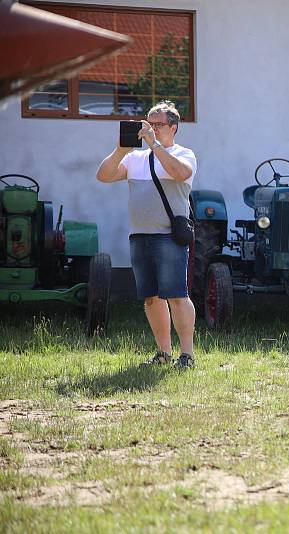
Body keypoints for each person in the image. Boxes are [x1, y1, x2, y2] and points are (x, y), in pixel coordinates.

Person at [96, 101, 197, 368]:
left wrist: (155, 145)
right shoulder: (134, 158)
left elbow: (180, 173)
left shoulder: (183, 154)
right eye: (148, 124)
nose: (149, 129)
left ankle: (187, 354)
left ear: (172, 128)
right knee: (151, 297)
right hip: (139, 236)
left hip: (168, 237)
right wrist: (121, 149)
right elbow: (103, 176)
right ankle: (163, 353)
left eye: (157, 125)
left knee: (177, 294)